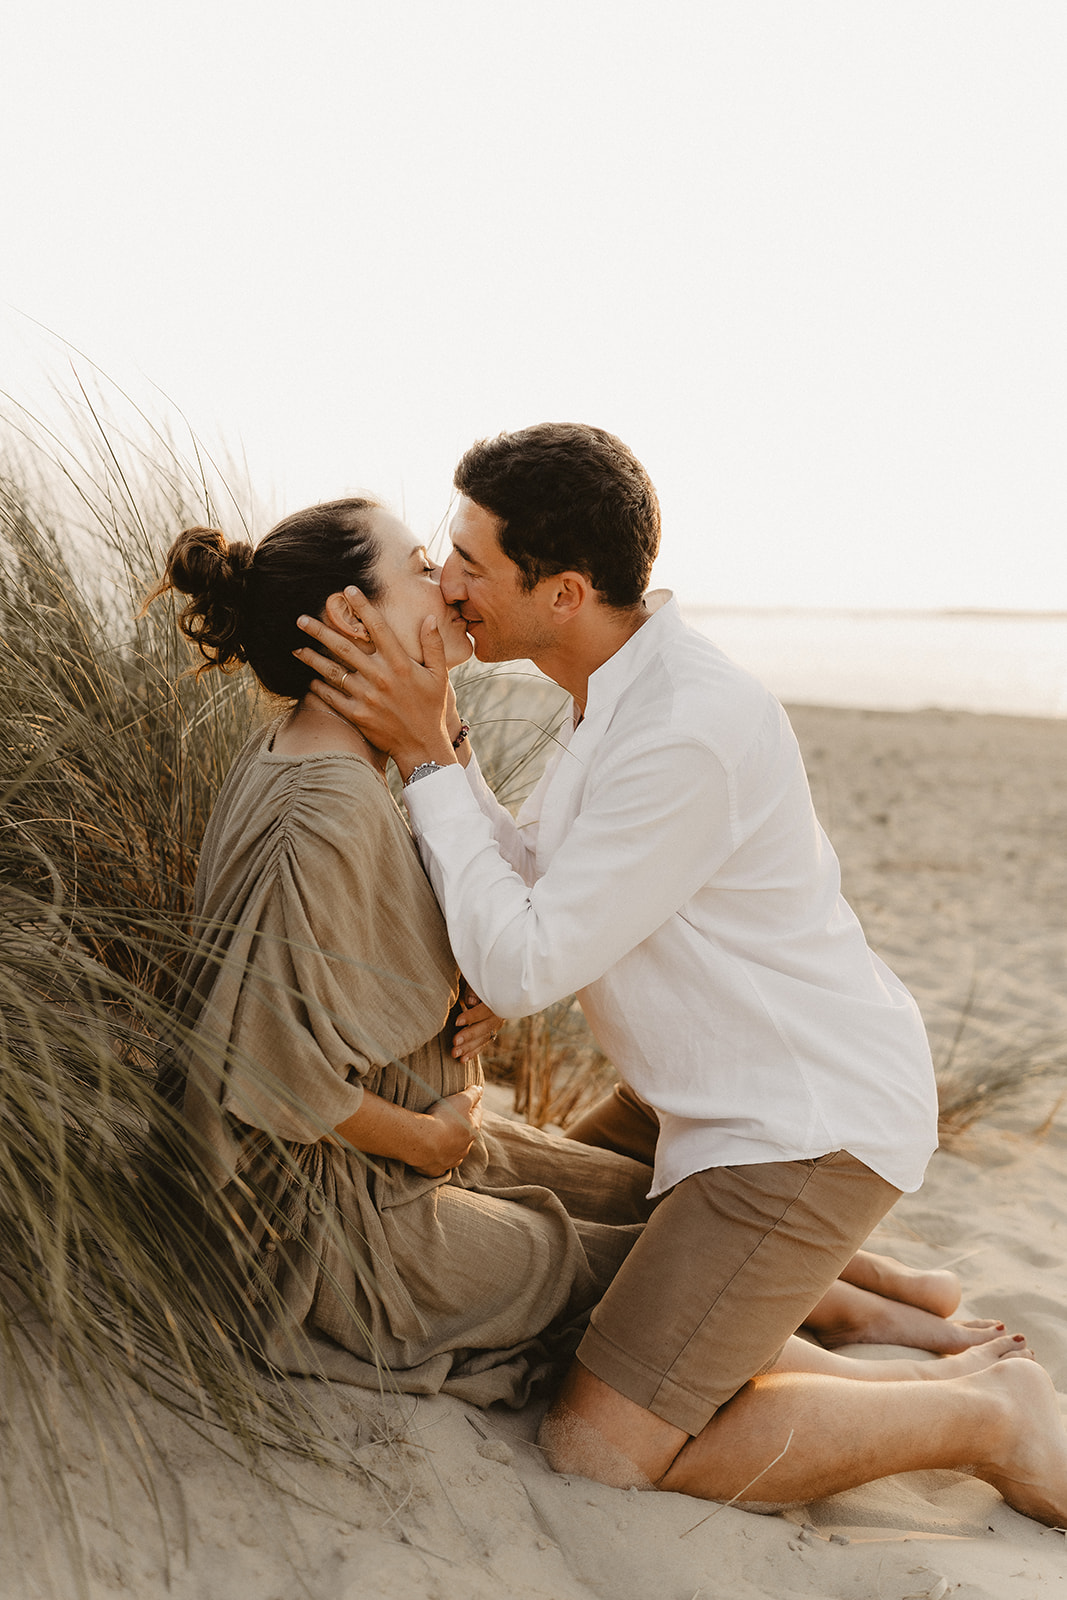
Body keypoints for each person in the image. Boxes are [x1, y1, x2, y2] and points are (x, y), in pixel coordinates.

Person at [293, 426, 1067, 1525]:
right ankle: (863, 1310)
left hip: (799, 1119)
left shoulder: (681, 729)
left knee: (601, 1446)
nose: (446, 581)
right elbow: (544, 884)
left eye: (470, 561)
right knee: (516, 1191)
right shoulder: (615, 686)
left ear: (560, 592)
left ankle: (987, 1415)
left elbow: (523, 965)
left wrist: (424, 758)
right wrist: (451, 756)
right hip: (696, 1092)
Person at [150, 493, 1012, 1410]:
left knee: (639, 1201)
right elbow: (260, 1067)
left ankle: (864, 1296)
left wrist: (453, 1015)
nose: (443, 583)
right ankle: (859, 1337)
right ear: (352, 621)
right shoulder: (320, 809)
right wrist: (434, 1133)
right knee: (640, 1268)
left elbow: (391, 944)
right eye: (418, 567)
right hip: (327, 1219)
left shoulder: (329, 759)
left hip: (391, 1155)